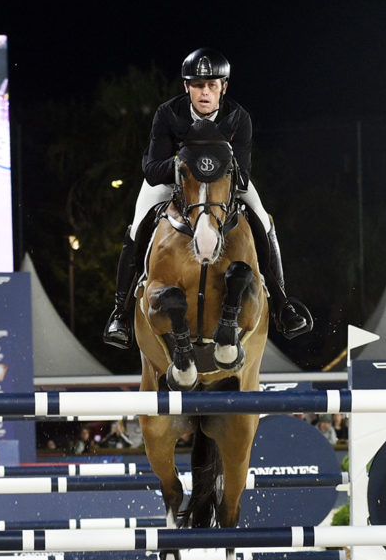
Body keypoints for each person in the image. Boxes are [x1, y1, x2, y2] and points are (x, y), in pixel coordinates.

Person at [103, 47, 308, 349]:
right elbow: (151, 169)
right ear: (186, 87)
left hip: (222, 186)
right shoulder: (167, 113)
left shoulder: (238, 117)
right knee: (137, 225)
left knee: (262, 218)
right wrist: (182, 165)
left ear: (223, 87)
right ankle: (120, 312)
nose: (205, 92)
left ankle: (281, 303)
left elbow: (243, 175)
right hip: (173, 183)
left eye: (212, 85)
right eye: (198, 85)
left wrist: (214, 168)